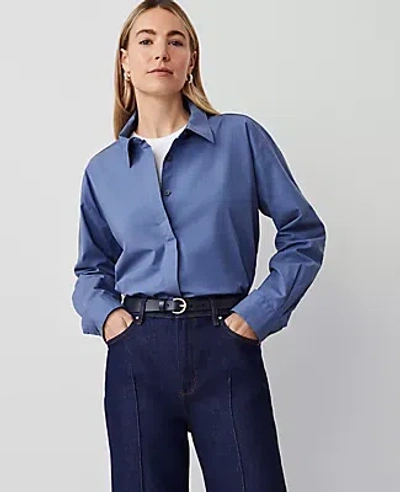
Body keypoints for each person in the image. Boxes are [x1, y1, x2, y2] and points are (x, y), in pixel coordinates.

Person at [71, 1, 327, 490]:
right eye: (146, 40)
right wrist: (109, 319)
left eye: (176, 41)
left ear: (191, 59)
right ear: (125, 60)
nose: (160, 52)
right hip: (136, 354)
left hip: (225, 345)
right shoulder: (103, 170)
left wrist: (256, 315)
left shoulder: (240, 138)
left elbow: (303, 233)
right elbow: (90, 270)